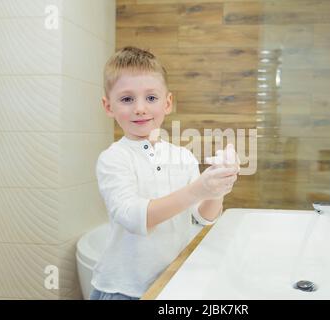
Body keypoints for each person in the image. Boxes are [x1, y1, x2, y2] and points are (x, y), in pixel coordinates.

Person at [89, 46, 240, 300]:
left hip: (170, 283)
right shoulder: (114, 159)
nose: (140, 108)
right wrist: (197, 190)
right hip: (123, 289)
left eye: (151, 98)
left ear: (167, 102)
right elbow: (134, 217)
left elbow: (203, 218)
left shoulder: (183, 157)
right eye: (127, 99)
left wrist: (217, 189)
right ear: (108, 106)